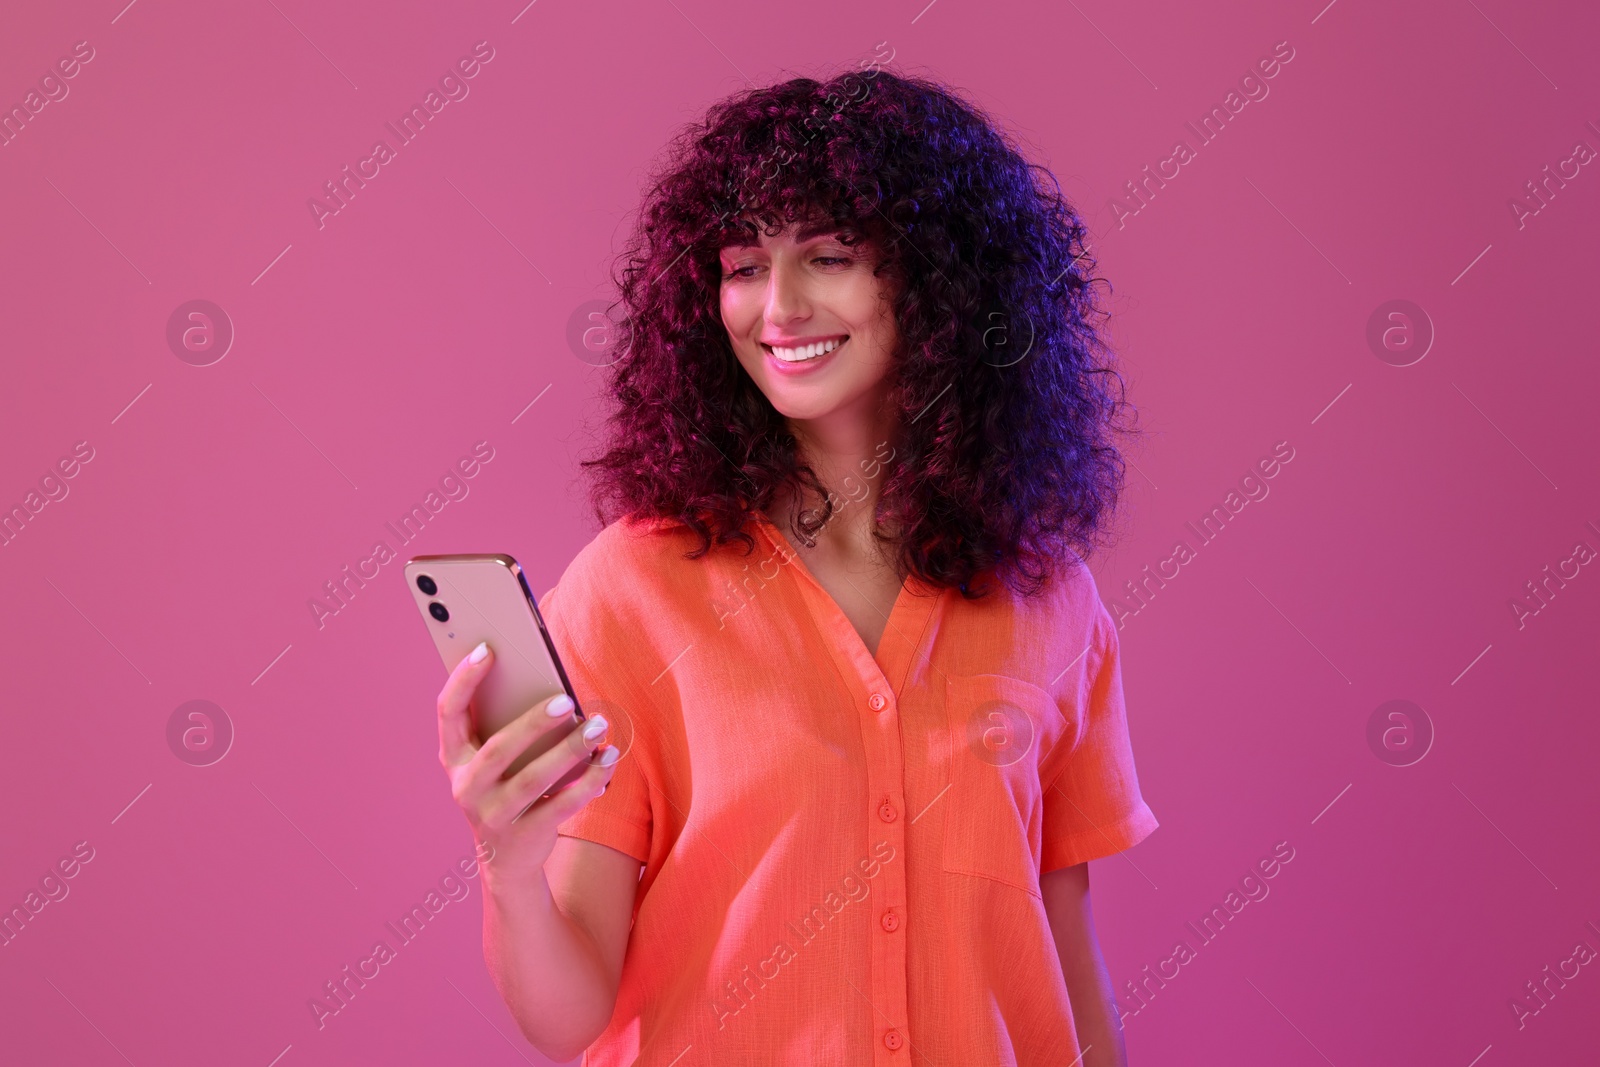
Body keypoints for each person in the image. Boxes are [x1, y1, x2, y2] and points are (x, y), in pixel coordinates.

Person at [434, 67, 1159, 1066]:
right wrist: (508, 867)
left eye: (827, 257)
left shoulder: (1047, 594)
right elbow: (567, 1017)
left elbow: (1062, 947)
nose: (776, 306)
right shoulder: (629, 590)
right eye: (741, 266)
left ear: (942, 282)